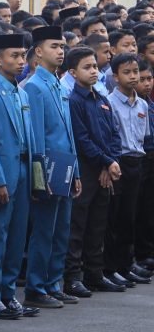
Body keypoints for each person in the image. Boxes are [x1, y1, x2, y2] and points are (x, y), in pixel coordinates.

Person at [0, 34, 39, 319]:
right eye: (14, 56)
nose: (20, 61)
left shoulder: (21, 93)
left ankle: (8, 292)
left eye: (23, 55)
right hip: (4, 173)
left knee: (16, 238)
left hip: (24, 169)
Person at [23, 26, 82, 309]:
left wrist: (77, 172)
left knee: (61, 231)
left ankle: (53, 283)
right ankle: (36, 287)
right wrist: (38, 177)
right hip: (48, 168)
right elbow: (35, 136)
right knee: (44, 231)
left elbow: (68, 132)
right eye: (54, 46)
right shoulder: (34, 86)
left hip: (65, 167)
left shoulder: (59, 83)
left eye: (62, 46)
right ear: (38, 51)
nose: (60, 51)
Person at [63, 46, 123, 296]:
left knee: (99, 223)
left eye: (95, 66)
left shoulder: (101, 99)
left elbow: (114, 134)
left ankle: (95, 274)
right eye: (86, 67)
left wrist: (110, 161)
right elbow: (82, 139)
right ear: (72, 72)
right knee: (78, 224)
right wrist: (105, 162)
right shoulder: (74, 101)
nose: (93, 71)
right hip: (86, 169)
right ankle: (72, 277)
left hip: (103, 168)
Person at [105, 53, 151, 286]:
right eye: (127, 72)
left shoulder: (142, 103)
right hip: (118, 163)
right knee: (114, 217)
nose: (133, 77)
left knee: (130, 217)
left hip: (136, 162)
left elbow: (144, 136)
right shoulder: (109, 103)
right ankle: (111, 267)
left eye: (136, 72)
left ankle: (126, 264)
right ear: (115, 77)